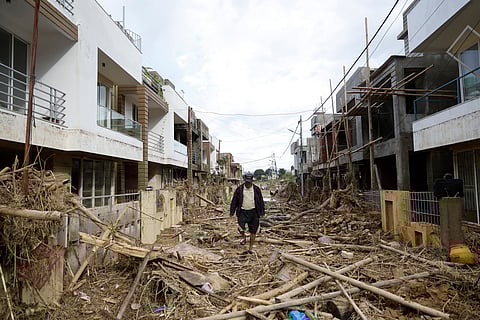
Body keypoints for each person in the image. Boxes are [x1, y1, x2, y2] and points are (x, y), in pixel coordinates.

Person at [230, 171, 265, 253]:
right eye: (247, 182)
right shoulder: (239, 189)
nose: (248, 184)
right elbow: (234, 201)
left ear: (252, 181)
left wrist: (262, 211)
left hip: (253, 212)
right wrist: (232, 212)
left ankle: (251, 248)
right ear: (244, 180)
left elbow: (260, 201)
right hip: (242, 211)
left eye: (249, 182)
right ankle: (244, 237)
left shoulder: (256, 189)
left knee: (253, 230)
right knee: (240, 227)